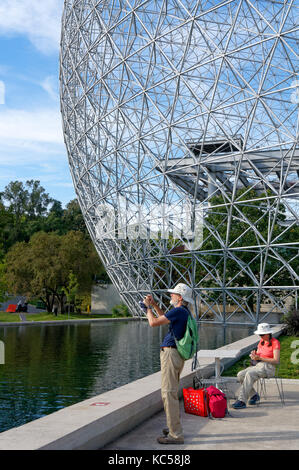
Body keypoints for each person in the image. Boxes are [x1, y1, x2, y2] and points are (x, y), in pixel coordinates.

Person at [143, 283, 194, 445]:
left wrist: (146, 309)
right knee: (170, 392)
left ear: (180, 297)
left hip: (171, 354)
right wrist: (155, 306)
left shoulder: (179, 311)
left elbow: (153, 323)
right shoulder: (183, 312)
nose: (170, 295)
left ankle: (176, 435)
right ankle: (173, 427)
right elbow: (164, 318)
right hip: (175, 354)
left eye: (173, 294)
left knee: (168, 393)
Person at [232, 323, 280, 409]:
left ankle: (242, 400)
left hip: (269, 367)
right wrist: (254, 356)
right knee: (240, 375)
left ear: (268, 333)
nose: (260, 336)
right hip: (258, 365)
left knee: (250, 374)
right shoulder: (261, 342)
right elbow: (257, 357)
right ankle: (254, 395)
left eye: (262, 334)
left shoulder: (275, 343)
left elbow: (276, 361)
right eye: (259, 335)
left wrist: (260, 358)